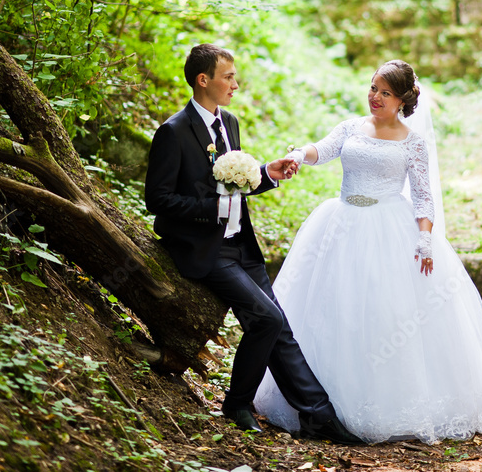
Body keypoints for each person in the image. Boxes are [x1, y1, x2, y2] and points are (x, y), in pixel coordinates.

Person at [253, 60, 482, 443]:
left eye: (385, 93)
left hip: (390, 228)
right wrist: (298, 155)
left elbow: (423, 197)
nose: (375, 97)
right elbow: (322, 149)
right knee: (335, 308)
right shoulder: (351, 127)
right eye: (373, 88)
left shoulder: (413, 142)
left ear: (402, 100)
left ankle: (387, 401)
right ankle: (320, 401)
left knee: (386, 313)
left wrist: (424, 239)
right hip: (341, 222)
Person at [144, 44, 363, 445]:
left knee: (281, 330)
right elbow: (157, 200)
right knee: (267, 320)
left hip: (242, 244)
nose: (235, 84)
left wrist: (267, 173)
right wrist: (209, 209)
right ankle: (237, 403)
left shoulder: (229, 122)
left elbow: (235, 184)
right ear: (203, 80)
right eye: (228, 77)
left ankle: (319, 417)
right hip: (205, 251)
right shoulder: (173, 132)